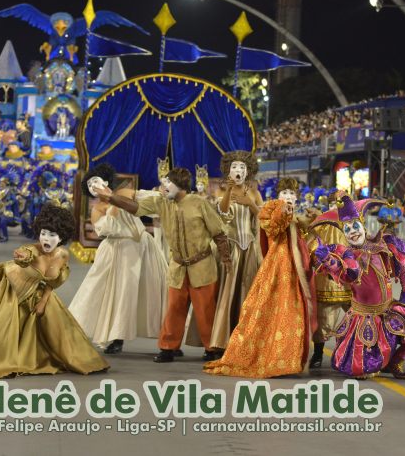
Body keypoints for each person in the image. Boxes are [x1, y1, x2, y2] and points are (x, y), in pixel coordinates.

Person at [0, 204, 109, 379]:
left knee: (55, 325)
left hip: (36, 294)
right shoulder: (32, 250)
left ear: (61, 237)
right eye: (43, 233)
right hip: (10, 291)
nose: (46, 238)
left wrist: (44, 301)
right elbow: (25, 255)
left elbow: (52, 283)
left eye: (52, 235)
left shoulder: (63, 255)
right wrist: (21, 257)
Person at [94, 167, 231, 363]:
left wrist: (226, 259)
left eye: (168, 183)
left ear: (181, 185)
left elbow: (218, 232)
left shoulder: (199, 204)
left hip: (202, 264)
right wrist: (111, 198)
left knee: (205, 308)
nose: (163, 186)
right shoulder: (161, 202)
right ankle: (168, 347)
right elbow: (135, 207)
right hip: (177, 266)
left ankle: (212, 348)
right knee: (174, 307)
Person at [312, 195, 405, 379]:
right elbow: (350, 274)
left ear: (363, 224)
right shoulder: (346, 255)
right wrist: (328, 259)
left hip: (388, 310)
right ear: (343, 233)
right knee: (361, 369)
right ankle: (383, 359)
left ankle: (395, 359)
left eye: (355, 226)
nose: (353, 231)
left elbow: (402, 264)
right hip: (364, 318)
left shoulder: (384, 243)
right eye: (347, 229)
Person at [205, 178, 316, 378]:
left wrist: (312, 220)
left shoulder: (296, 215)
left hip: (295, 270)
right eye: (284, 194)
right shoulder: (271, 210)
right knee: (269, 310)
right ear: (277, 196)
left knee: (293, 312)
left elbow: (305, 233)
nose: (288, 197)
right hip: (276, 267)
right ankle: (270, 356)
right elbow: (273, 228)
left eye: (292, 194)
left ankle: (289, 358)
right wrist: (283, 212)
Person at [68, 164, 168, 354]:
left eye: (96, 182)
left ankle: (168, 340)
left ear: (105, 182)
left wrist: (159, 193)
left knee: (155, 288)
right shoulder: (97, 209)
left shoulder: (125, 192)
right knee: (120, 293)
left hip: (144, 247)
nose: (93, 187)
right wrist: (113, 203)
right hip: (119, 251)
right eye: (89, 185)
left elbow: (147, 201)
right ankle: (115, 336)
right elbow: (106, 229)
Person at [206, 151, 264, 358]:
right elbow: (223, 214)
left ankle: (246, 341)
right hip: (230, 250)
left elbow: (264, 217)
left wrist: (251, 203)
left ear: (248, 170)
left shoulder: (254, 192)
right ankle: (220, 342)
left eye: (242, 167)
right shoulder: (222, 191)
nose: (238, 171)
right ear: (228, 170)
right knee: (226, 295)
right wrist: (230, 191)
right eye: (234, 167)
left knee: (246, 295)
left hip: (249, 249)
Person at [306, 193, 351, 369]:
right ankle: (318, 353)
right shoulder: (320, 224)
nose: (337, 206)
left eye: (341, 202)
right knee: (323, 320)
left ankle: (354, 350)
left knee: (359, 317)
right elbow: (311, 245)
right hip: (326, 279)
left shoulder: (352, 224)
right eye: (335, 203)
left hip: (350, 280)